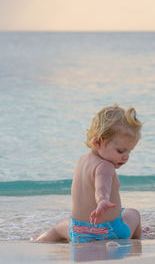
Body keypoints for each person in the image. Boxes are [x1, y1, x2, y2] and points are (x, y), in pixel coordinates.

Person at [33, 104, 144, 243]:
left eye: (129, 151)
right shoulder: (105, 167)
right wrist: (102, 200)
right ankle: (138, 236)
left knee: (59, 227)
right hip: (110, 232)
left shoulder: (81, 161)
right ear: (98, 142)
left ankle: (39, 240)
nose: (126, 157)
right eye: (121, 151)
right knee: (133, 214)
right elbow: (101, 187)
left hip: (78, 232)